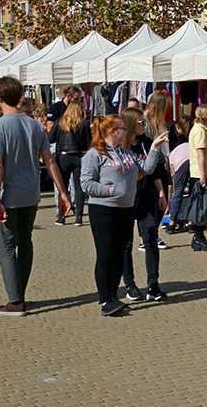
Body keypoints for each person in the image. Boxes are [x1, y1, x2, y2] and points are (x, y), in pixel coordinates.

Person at [0, 76, 70, 317]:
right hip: (31, 193)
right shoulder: (34, 125)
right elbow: (49, 160)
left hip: (8, 194)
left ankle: (15, 300)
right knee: (25, 242)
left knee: (6, 246)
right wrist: (62, 192)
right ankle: (18, 293)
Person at [79, 114, 168, 316]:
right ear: (112, 131)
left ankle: (113, 296)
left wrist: (154, 147)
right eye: (122, 129)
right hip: (103, 209)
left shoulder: (126, 154)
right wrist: (109, 190)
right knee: (106, 254)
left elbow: (147, 168)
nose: (125, 132)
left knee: (120, 252)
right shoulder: (95, 155)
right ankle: (105, 299)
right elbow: (86, 183)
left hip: (125, 209)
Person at [118, 107, 168, 303]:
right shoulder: (120, 147)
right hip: (127, 200)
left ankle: (153, 285)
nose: (144, 125)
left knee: (151, 239)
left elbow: (154, 171)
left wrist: (161, 192)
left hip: (148, 198)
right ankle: (129, 285)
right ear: (131, 123)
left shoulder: (148, 143)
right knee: (126, 243)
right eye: (140, 122)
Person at [48, 101, 90, 226]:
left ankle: (61, 217)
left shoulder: (60, 122)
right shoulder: (83, 124)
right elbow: (88, 143)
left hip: (63, 156)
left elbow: (51, 138)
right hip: (78, 156)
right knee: (79, 188)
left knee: (63, 187)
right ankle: (79, 218)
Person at [186, 104, 207, 252]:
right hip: (201, 174)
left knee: (203, 206)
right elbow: (200, 154)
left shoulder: (200, 129)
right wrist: (203, 176)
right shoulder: (200, 131)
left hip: (201, 173)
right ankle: (199, 236)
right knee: (202, 206)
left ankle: (199, 236)